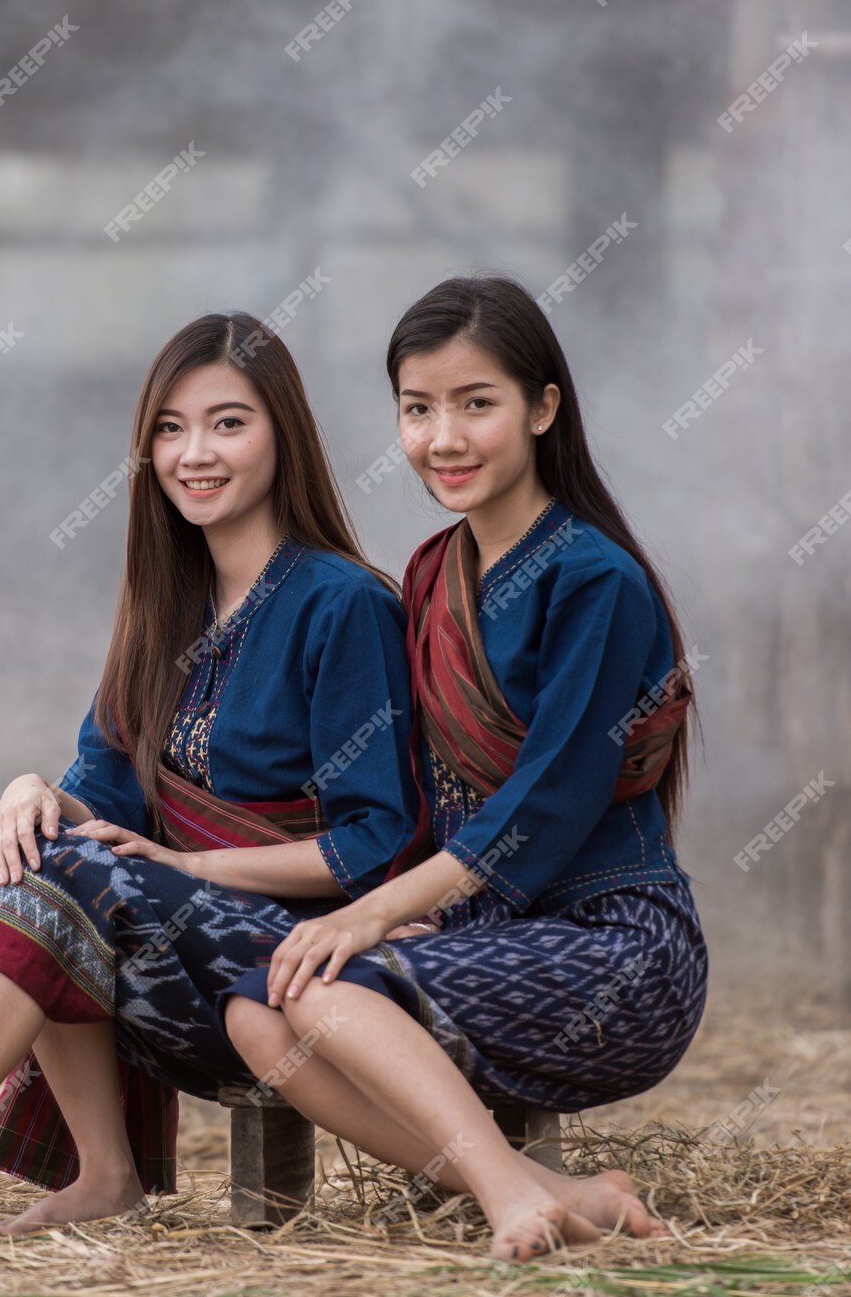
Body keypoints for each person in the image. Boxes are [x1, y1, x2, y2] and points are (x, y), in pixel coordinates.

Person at [0, 311, 421, 1242]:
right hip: (177, 952)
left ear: (282, 434)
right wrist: (35, 790)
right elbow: (106, 785)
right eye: (170, 429)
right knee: (18, 846)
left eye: (228, 422)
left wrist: (192, 872)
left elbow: (374, 843)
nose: (194, 453)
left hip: (296, 959)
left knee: (69, 874)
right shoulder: (163, 607)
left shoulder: (344, 603)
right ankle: (106, 1173)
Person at [218, 274, 709, 1261]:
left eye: (474, 404)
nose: (442, 437)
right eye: (415, 408)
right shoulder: (430, 572)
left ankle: (507, 1203)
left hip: (615, 946)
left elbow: (551, 797)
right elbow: (409, 787)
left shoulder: (595, 579)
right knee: (256, 1012)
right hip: (485, 932)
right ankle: (560, 1193)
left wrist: (372, 910)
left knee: (315, 990)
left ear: (540, 408)